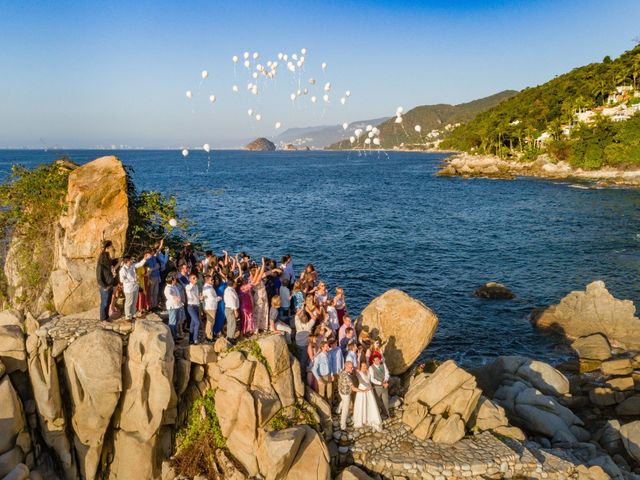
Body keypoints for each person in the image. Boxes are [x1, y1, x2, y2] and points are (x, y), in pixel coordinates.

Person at [118, 254, 150, 320]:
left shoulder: (132, 266)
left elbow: (140, 264)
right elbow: (122, 279)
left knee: (134, 302)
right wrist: (132, 280)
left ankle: (133, 314)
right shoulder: (123, 270)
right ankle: (127, 315)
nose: (132, 261)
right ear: (126, 261)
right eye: (130, 260)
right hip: (129, 289)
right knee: (129, 302)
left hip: (135, 287)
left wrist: (145, 259)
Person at [352, 362, 382, 431]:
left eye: (365, 365)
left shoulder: (368, 372)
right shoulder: (358, 373)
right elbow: (357, 366)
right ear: (360, 367)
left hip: (369, 390)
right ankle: (362, 420)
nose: (364, 367)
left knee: (370, 404)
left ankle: (369, 419)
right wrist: (358, 357)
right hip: (362, 390)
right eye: (363, 366)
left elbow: (371, 380)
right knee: (362, 405)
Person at [96, 240, 117, 321]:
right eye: (110, 247)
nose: (109, 258)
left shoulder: (108, 264)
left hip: (110, 286)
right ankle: (103, 319)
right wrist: (105, 287)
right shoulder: (100, 264)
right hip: (105, 288)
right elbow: (99, 278)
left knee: (108, 303)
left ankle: (107, 317)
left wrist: (113, 276)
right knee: (104, 304)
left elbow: (109, 274)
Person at [338, 361, 360, 431]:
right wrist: (364, 391)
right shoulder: (347, 377)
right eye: (351, 367)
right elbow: (353, 388)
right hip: (346, 394)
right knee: (345, 410)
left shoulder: (341, 372)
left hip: (341, 391)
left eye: (352, 367)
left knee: (343, 401)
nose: (352, 368)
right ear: (346, 367)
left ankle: (337, 410)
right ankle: (343, 426)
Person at [369, 352, 391, 418]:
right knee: (377, 400)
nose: (378, 361)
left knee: (386, 399)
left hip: (385, 384)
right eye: (376, 360)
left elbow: (387, 373)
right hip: (377, 387)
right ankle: (378, 414)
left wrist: (386, 380)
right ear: (373, 361)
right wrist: (381, 383)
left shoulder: (383, 364)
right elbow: (372, 379)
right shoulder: (371, 368)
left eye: (379, 359)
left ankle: (387, 413)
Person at [295, 310, 315, 374]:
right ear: (307, 320)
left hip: (298, 344)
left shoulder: (298, 324)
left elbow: (296, 315)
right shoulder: (309, 326)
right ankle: (302, 374)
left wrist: (301, 309)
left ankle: (298, 370)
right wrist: (309, 311)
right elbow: (314, 318)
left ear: (300, 320)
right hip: (305, 345)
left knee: (299, 357)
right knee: (303, 360)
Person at [202, 276, 221, 342]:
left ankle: (209, 335)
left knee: (210, 322)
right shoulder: (208, 288)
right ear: (207, 280)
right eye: (211, 280)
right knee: (210, 322)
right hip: (210, 307)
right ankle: (209, 337)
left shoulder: (209, 286)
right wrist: (220, 298)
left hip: (211, 306)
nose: (213, 281)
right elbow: (212, 298)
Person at [164, 273, 182, 339]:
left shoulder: (174, 286)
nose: (176, 280)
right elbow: (168, 295)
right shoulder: (167, 288)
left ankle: (175, 335)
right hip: (172, 306)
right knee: (172, 322)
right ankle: (172, 337)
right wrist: (175, 297)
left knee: (177, 320)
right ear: (172, 280)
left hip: (177, 305)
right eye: (174, 279)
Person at [186, 274, 201, 344]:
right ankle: (195, 339)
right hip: (191, 306)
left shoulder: (196, 286)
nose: (195, 279)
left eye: (196, 278)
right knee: (197, 322)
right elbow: (189, 289)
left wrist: (200, 298)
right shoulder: (188, 286)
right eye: (193, 278)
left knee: (192, 323)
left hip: (196, 306)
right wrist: (193, 283)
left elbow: (196, 296)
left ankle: (190, 339)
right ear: (190, 280)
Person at [223, 278, 240, 342]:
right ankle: (230, 338)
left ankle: (230, 336)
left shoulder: (230, 289)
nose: (236, 284)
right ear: (233, 284)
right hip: (230, 309)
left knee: (231, 323)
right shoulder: (230, 291)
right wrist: (235, 310)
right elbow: (232, 301)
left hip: (230, 308)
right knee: (232, 323)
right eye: (235, 283)